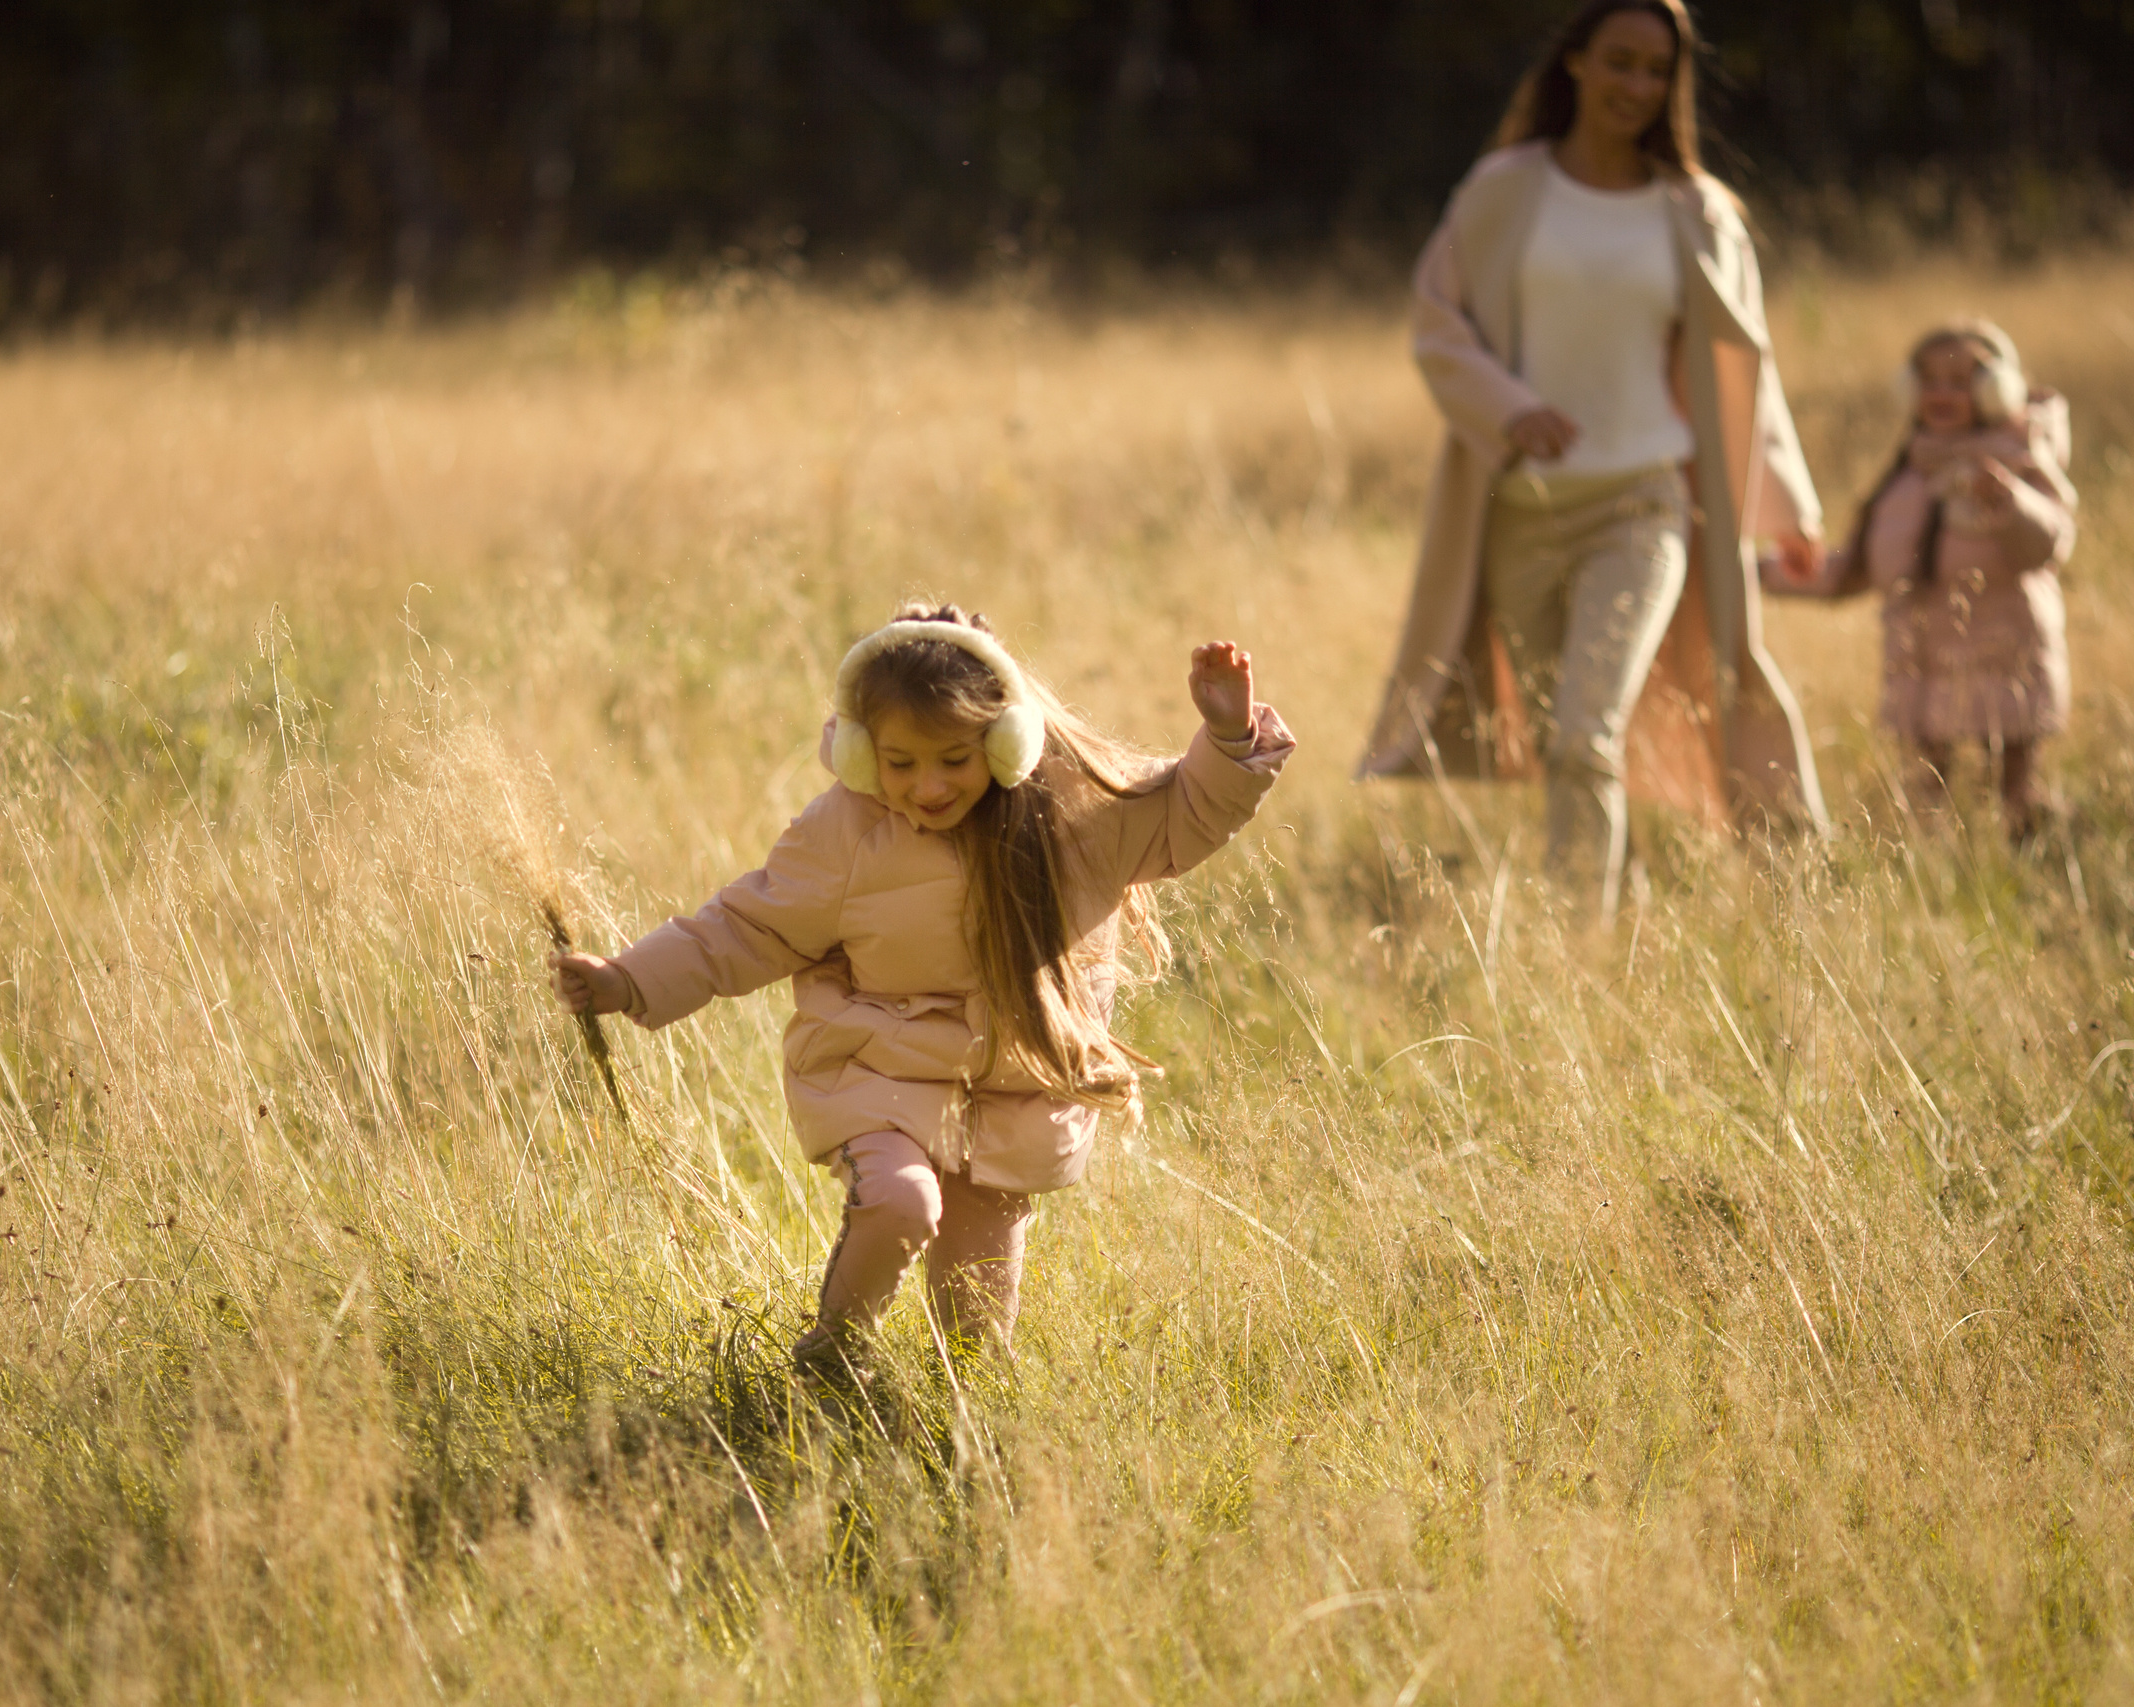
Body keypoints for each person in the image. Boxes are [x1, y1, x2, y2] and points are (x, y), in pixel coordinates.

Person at [553, 603, 1293, 1375]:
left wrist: (1229, 739)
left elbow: (1182, 816)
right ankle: (833, 1361)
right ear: (865, 756)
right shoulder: (848, 830)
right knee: (901, 1203)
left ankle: (961, 1416)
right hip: (879, 1068)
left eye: (953, 757)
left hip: (1016, 1090)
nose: (927, 786)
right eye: (900, 763)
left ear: (1008, 742)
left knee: (976, 1316)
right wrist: (630, 979)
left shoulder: (1075, 814)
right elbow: (745, 926)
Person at [1358, 0, 1829, 919]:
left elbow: (1746, 367)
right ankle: (1627, 912)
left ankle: (1580, 947)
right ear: (1574, 63)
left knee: (1584, 736)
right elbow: (1436, 320)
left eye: (1657, 71)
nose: (1637, 86)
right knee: (1561, 748)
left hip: (1644, 506)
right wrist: (1511, 408)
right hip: (1521, 517)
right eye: (1619, 62)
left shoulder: (1697, 212)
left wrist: (1788, 507)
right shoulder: (1504, 191)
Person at [1763, 319, 2078, 840]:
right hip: (1921, 661)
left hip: (2008, 652)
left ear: (1996, 389)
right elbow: (1851, 570)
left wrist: (2009, 503)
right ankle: (1933, 883)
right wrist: (1754, 572)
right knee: (1925, 796)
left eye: (1961, 382)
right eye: (1929, 380)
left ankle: (2042, 860)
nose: (1942, 393)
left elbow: (2049, 544)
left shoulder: (2018, 459)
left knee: (2015, 790)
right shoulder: (1907, 473)